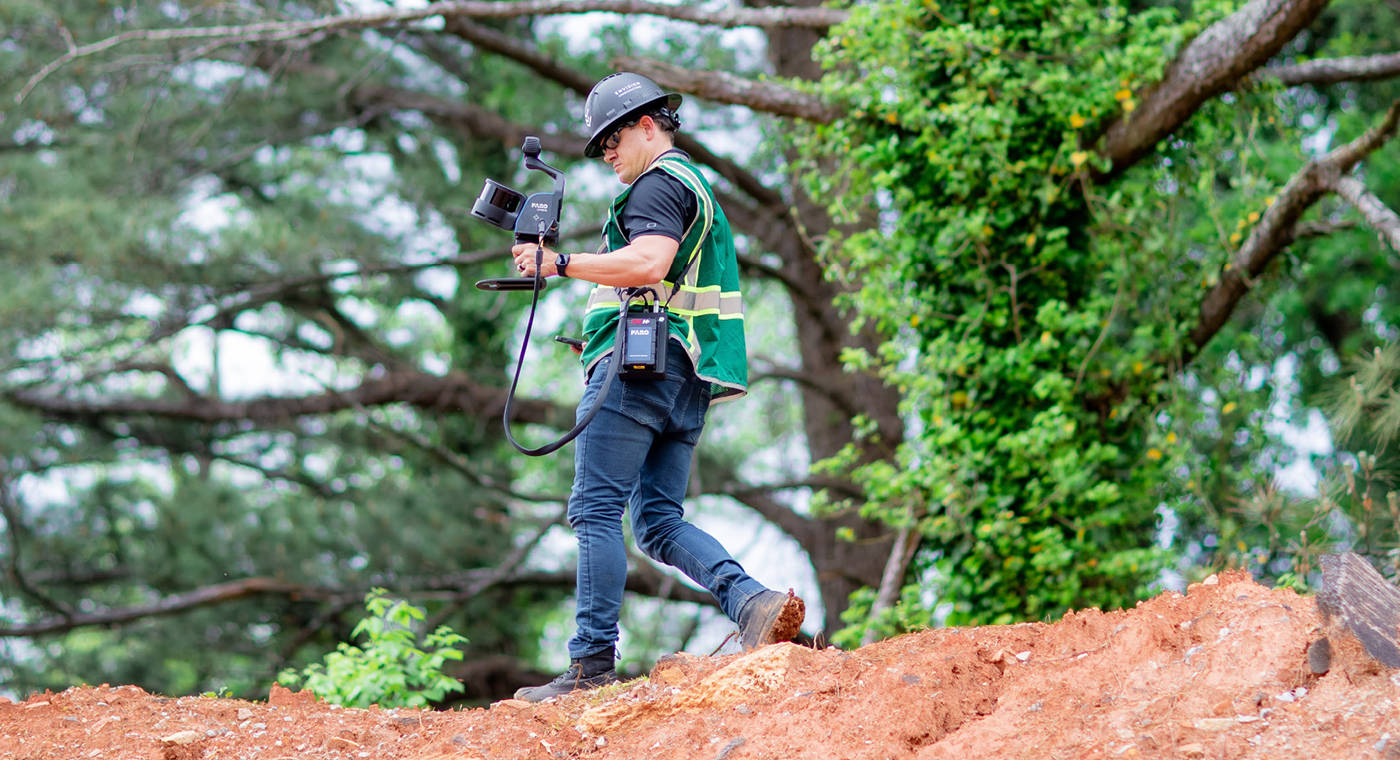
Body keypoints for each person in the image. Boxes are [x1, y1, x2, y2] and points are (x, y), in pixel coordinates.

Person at [509, 72, 805, 702]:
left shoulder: (656, 185)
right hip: (687, 377)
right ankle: (752, 601)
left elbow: (648, 263)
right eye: (599, 147)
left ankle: (589, 664)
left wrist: (558, 264)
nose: (606, 153)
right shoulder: (697, 187)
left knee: (594, 511)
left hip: (639, 367)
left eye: (612, 139)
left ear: (648, 124)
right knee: (659, 523)